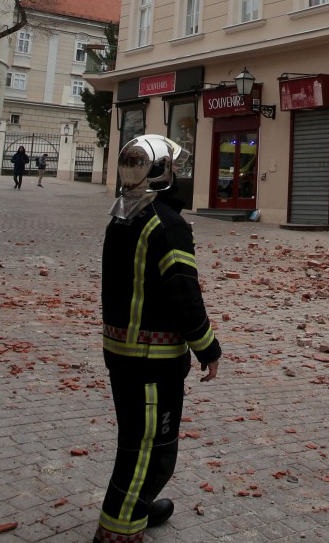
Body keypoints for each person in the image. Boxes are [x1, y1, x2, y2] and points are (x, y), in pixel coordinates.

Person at [94, 134, 221, 542]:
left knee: (136, 441)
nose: (181, 173)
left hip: (122, 353)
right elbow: (184, 294)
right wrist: (208, 347)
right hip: (153, 362)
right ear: (162, 173)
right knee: (152, 452)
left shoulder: (123, 214)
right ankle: (117, 529)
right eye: (176, 167)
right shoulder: (167, 225)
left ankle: (138, 508)